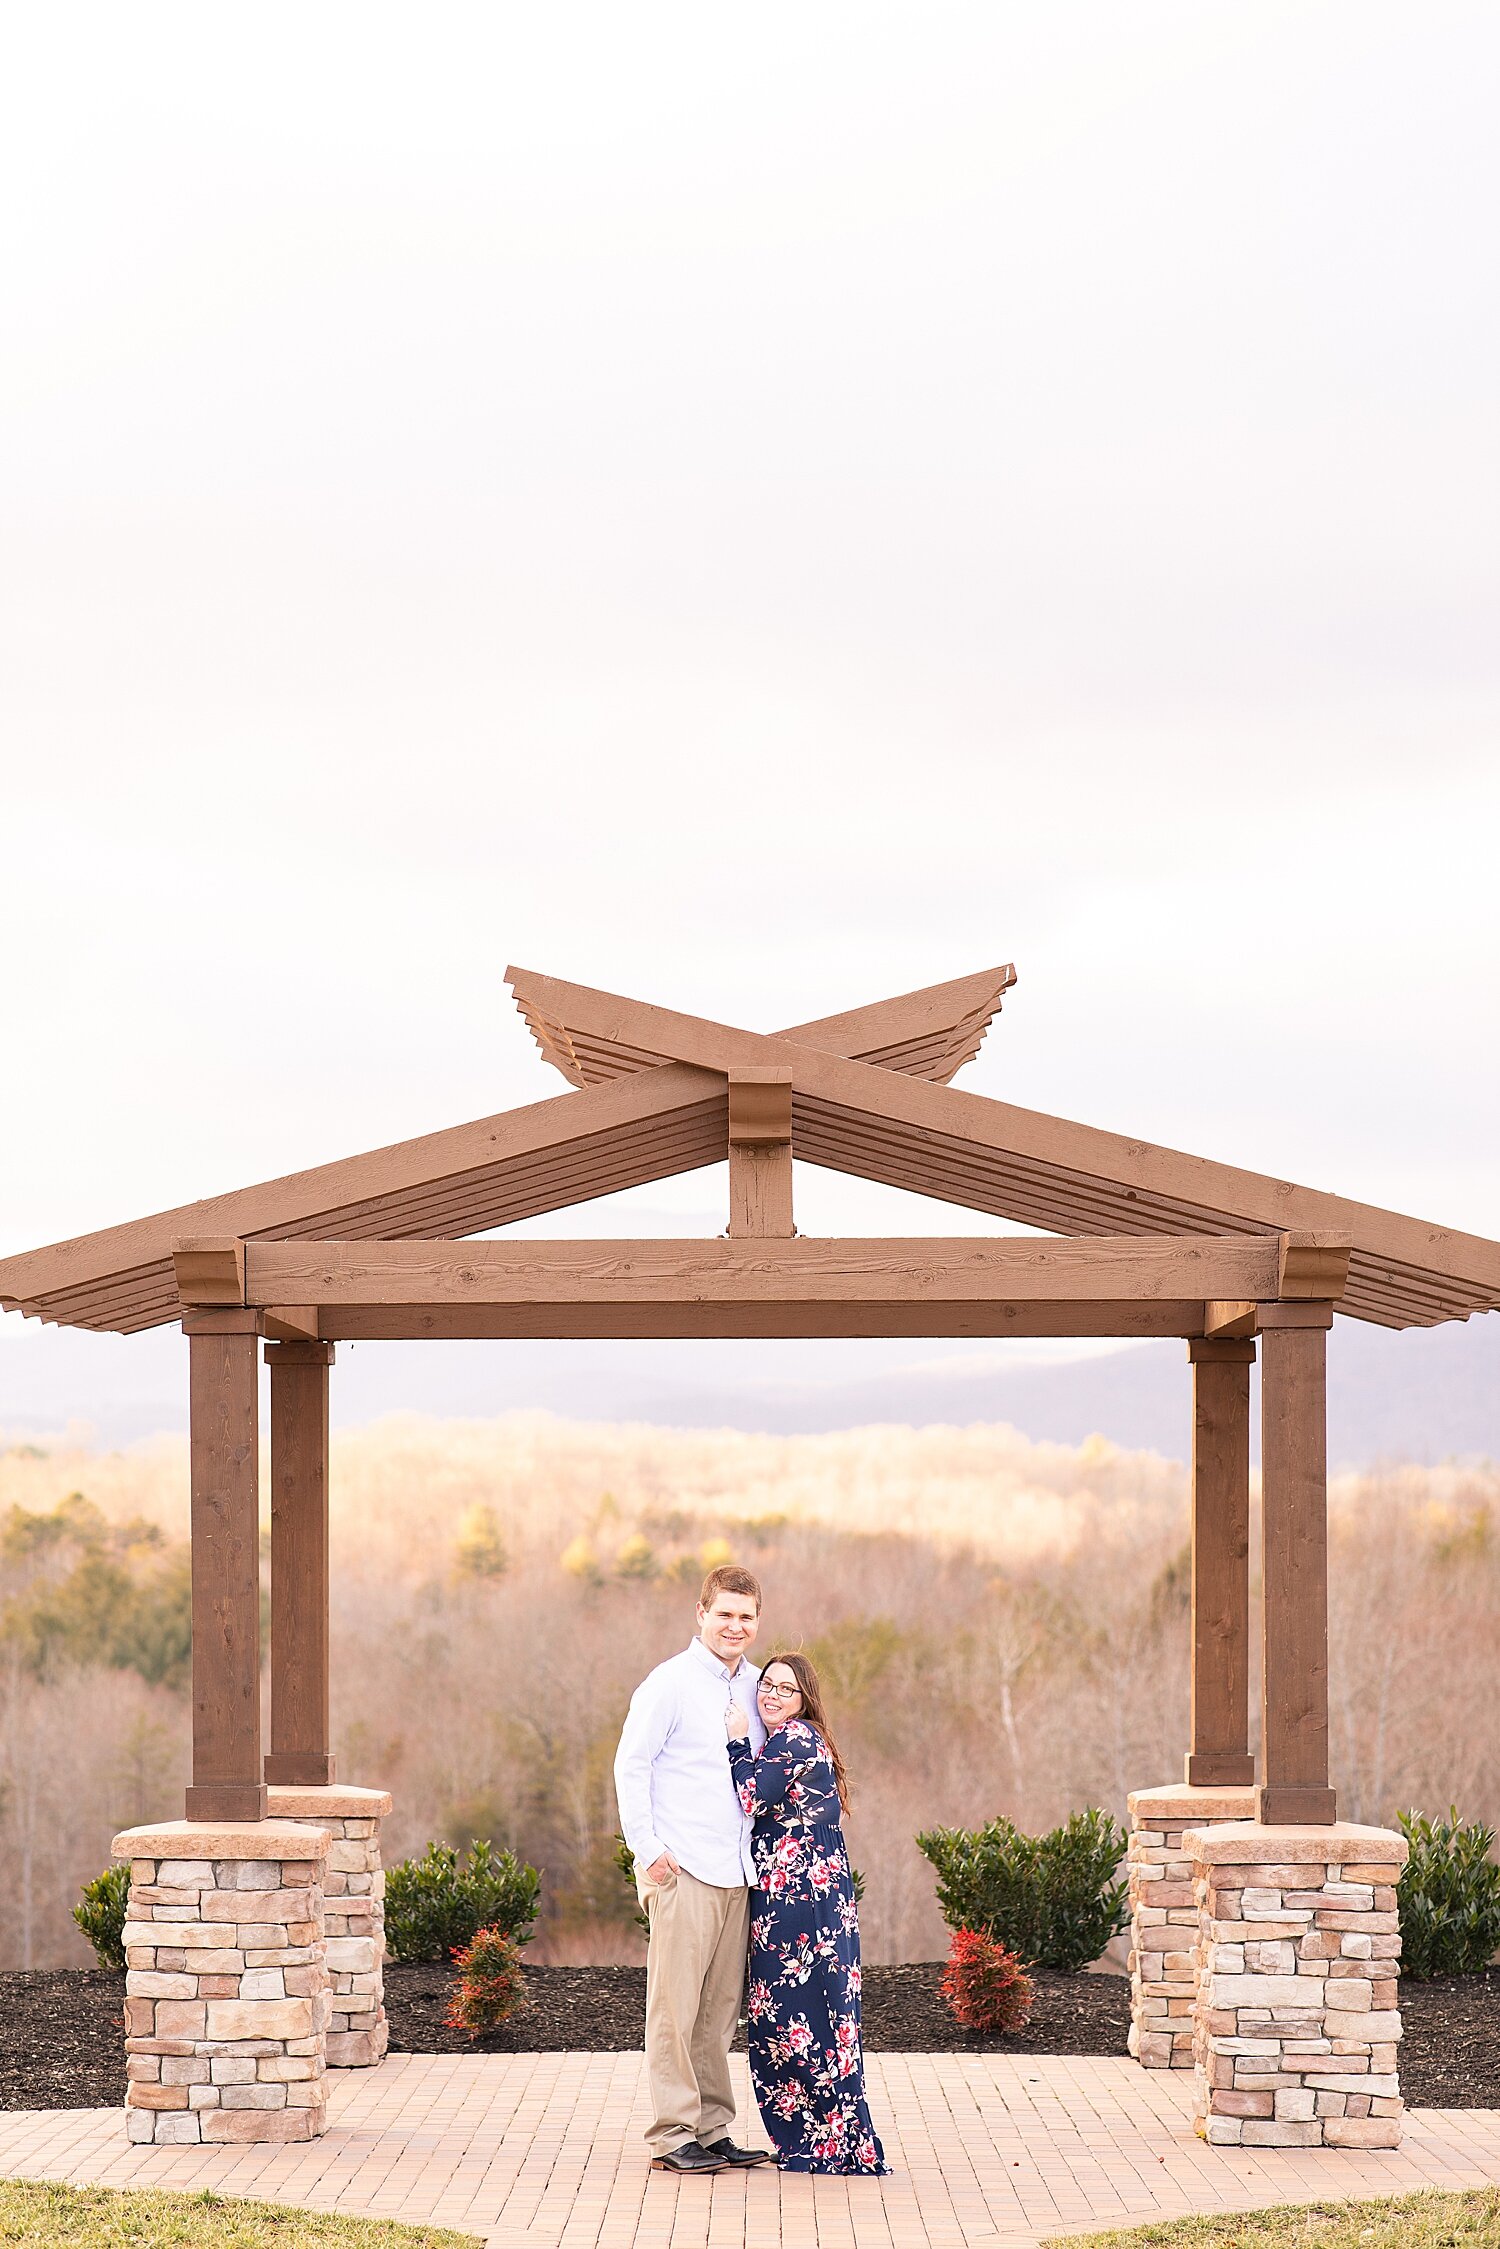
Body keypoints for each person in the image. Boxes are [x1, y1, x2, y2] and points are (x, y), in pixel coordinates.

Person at [614, 1562, 774, 2175]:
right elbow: (632, 1766)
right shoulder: (669, 1684)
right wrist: (647, 1848)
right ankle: (672, 2133)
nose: (735, 1626)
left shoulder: (759, 1687)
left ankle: (711, 2129)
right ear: (701, 1614)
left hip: (739, 1872)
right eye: (724, 1614)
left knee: (717, 2013)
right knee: (675, 2010)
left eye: (746, 1616)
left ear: (758, 1622)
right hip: (682, 1869)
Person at [725, 1651, 887, 2175]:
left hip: (800, 1897)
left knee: (794, 2012)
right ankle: (822, 2139)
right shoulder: (792, 1739)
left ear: (804, 1700)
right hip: (807, 1892)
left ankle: (825, 2142)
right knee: (811, 2012)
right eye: (767, 1684)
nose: (771, 1694)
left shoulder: (793, 1738)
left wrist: (733, 1741)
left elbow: (752, 1797)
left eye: (785, 1689)